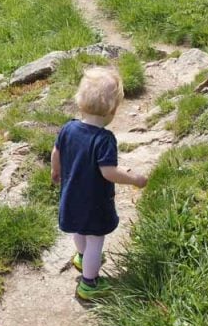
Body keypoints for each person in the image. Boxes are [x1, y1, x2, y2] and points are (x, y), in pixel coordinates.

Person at [50, 67, 148, 301]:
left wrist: (56, 171)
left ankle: (82, 258)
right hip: (93, 203)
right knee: (96, 240)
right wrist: (134, 179)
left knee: (79, 230)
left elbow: (56, 152)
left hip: (70, 196)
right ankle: (89, 284)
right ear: (112, 110)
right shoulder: (104, 139)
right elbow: (109, 172)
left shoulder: (68, 128)